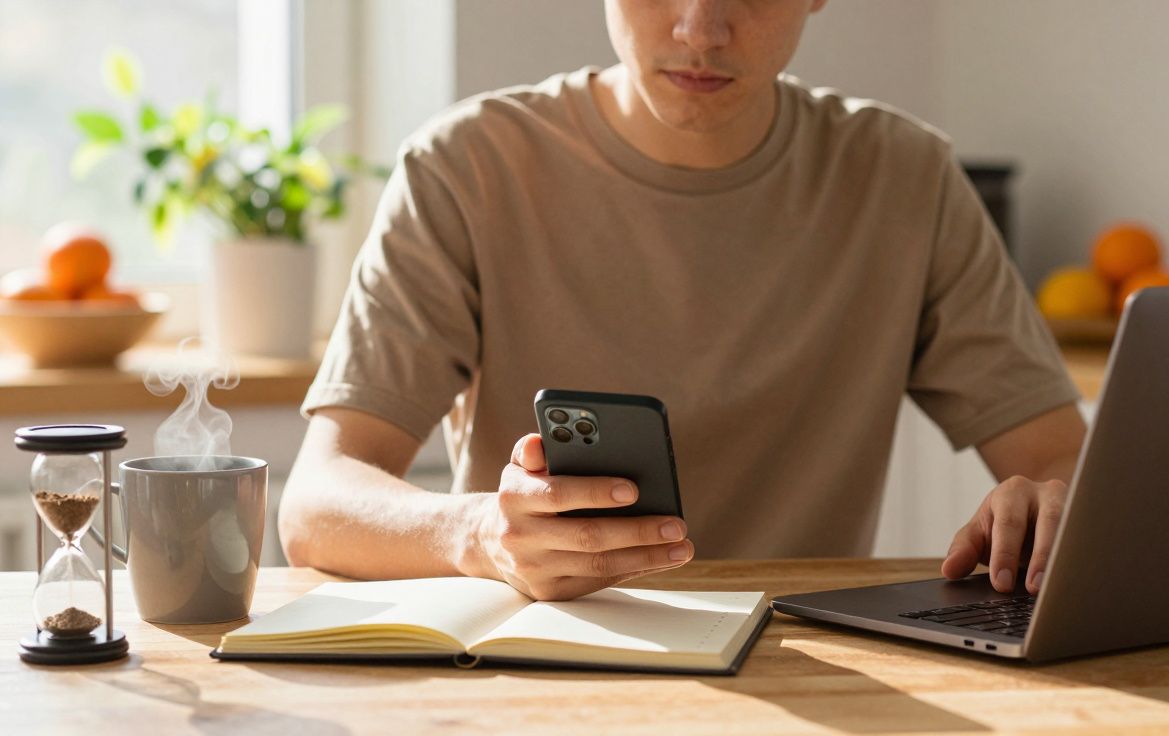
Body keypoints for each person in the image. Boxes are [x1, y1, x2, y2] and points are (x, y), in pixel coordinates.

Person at [279, 0, 1087, 601]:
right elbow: (317, 503)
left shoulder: (906, 178)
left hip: (815, 666)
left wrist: (1049, 500)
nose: (701, 27)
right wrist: (477, 532)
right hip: (548, 660)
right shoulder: (466, 168)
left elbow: (1061, 459)